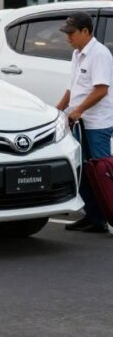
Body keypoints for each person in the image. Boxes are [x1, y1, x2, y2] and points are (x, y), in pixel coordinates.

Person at [55, 13, 113, 233]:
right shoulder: (77, 54)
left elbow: (101, 90)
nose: (67, 38)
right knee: (82, 170)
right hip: (81, 121)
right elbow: (73, 88)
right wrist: (58, 110)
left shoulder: (99, 54)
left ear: (86, 32)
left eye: (71, 33)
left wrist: (78, 110)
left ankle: (105, 214)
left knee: (99, 172)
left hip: (97, 123)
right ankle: (94, 216)